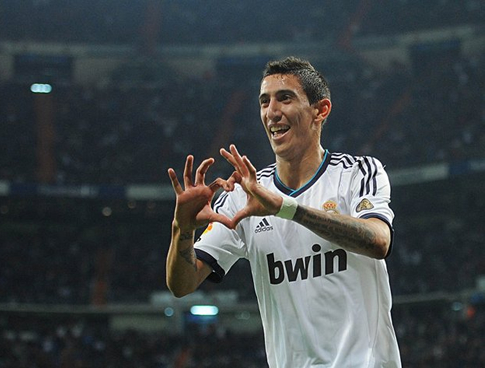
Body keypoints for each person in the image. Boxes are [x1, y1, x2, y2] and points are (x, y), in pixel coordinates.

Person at [166, 56, 401, 368]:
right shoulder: (242, 196)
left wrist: (286, 208)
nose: (271, 112)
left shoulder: (358, 173)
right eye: (265, 101)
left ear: (321, 110)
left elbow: (378, 241)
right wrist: (182, 229)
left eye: (285, 98)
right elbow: (182, 285)